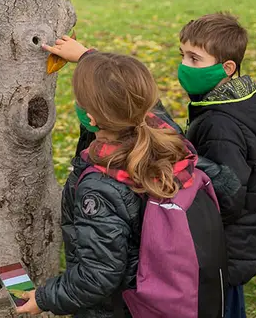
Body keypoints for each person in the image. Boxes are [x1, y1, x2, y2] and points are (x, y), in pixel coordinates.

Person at [17, 41, 228, 317]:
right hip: (158, 291)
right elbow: (229, 185)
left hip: (118, 307)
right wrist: (89, 57)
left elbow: (97, 276)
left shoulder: (101, 187)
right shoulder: (170, 146)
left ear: (90, 118)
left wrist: (44, 299)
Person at [179, 13, 256, 318]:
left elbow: (227, 194)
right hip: (230, 248)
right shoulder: (227, 105)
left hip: (224, 250)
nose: (184, 66)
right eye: (182, 55)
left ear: (228, 68)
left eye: (195, 59)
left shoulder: (220, 122)